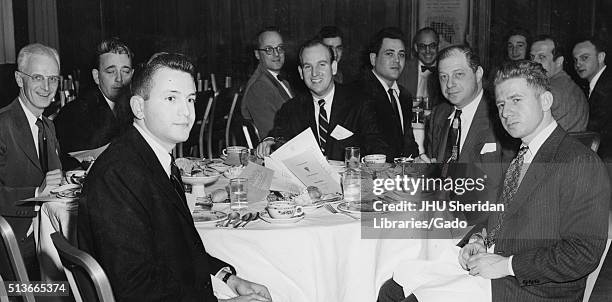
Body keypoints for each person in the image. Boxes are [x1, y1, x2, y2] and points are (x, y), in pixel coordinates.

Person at [78, 53, 271, 301]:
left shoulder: (156, 158)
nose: (186, 112)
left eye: (190, 99)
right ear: (139, 107)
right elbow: (135, 290)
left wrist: (228, 278)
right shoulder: (117, 176)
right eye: (171, 98)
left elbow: (182, 248)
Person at [459, 60, 609, 301]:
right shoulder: (521, 155)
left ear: (545, 101)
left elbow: (582, 254)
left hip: (532, 291)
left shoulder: (580, 162)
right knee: (397, 286)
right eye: (501, 104)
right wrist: (479, 240)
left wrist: (507, 266)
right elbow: (505, 214)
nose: (506, 112)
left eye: (516, 100)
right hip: (497, 275)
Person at [422, 45, 512, 223]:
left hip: (484, 224)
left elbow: (510, 191)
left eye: (458, 74)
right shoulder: (438, 115)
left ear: (478, 74)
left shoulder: (502, 114)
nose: (449, 84)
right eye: (443, 77)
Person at [256, 39, 388, 160]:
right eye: (308, 66)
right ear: (301, 73)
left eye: (322, 64)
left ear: (334, 67)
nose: (315, 73)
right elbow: (279, 135)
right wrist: (269, 141)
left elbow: (377, 147)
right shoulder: (291, 108)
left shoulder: (360, 102)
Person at [0, 43, 63, 278]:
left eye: (53, 79)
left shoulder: (48, 126)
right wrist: (37, 192)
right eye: (37, 77)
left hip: (47, 237)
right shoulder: (2, 125)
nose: (47, 88)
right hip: (13, 244)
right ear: (19, 79)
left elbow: (55, 181)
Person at [54, 37, 134, 169]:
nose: (119, 79)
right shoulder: (74, 113)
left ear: (132, 74)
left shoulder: (139, 107)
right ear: (96, 76)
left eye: (125, 71)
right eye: (111, 71)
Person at [355, 27, 419, 160]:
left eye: (401, 54)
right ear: (373, 59)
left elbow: (408, 143)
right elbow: (372, 143)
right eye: (389, 54)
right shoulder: (359, 92)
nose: (397, 60)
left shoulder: (404, 95)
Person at [241, 26, 293, 138]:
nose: (277, 54)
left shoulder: (280, 80)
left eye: (280, 48)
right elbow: (271, 136)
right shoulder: (259, 88)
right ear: (257, 54)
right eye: (269, 49)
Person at [529, 35, 588, 132]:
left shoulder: (547, 92)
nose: (534, 63)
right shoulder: (573, 87)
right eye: (532, 57)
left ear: (559, 61)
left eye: (541, 57)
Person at [573, 38, 612, 160]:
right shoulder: (596, 85)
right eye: (575, 60)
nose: (578, 64)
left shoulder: (607, 87)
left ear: (600, 57)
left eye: (584, 58)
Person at [397, 27, 442, 109]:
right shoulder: (402, 69)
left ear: (439, 46)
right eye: (422, 46)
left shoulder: (445, 70)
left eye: (432, 46)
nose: (427, 51)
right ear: (416, 48)